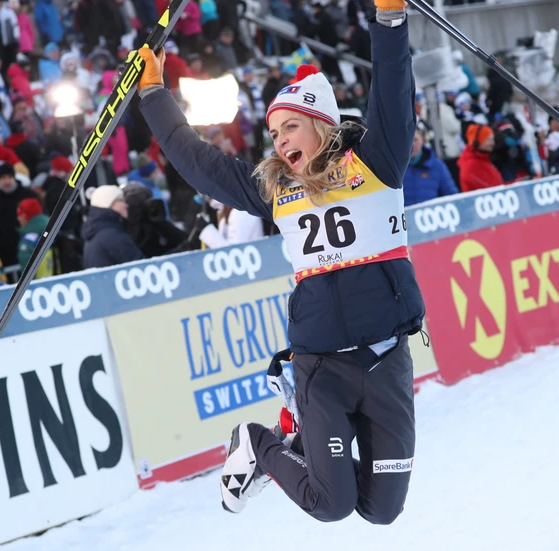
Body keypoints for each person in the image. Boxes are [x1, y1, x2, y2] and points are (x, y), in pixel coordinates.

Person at [137, 0, 423, 525]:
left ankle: (297, 446)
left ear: (322, 125)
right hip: (322, 366)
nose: (281, 139)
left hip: (385, 361)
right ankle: (257, 443)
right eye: (274, 133)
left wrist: (389, 21)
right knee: (331, 504)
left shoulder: (378, 162)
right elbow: (199, 163)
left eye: (291, 126)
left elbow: (392, 90)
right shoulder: (276, 190)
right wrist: (154, 95)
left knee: (382, 510)